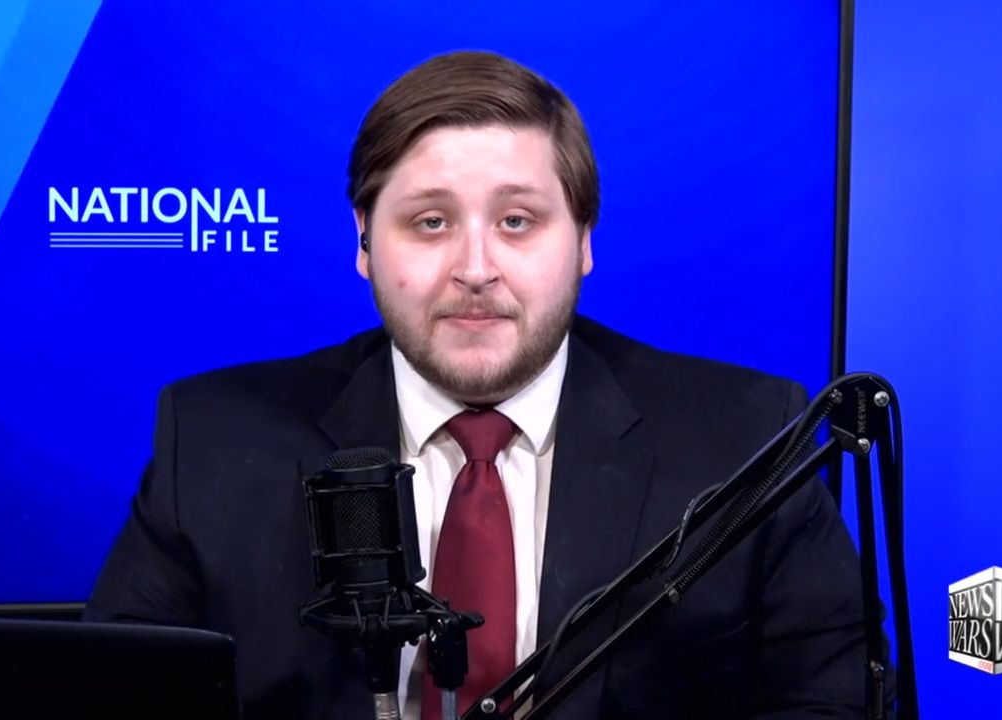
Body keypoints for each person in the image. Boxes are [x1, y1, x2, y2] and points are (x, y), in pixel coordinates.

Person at [85, 50, 869, 719]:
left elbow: (836, 704)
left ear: (584, 240)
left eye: (517, 221)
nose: (475, 268)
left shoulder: (747, 441)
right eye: (430, 222)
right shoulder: (212, 442)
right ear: (363, 242)